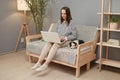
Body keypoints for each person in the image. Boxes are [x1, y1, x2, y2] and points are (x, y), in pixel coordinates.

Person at [31, 6, 77, 71]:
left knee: (56, 45)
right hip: (58, 39)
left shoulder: (72, 23)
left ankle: (45, 64)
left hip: (67, 41)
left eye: (64, 14)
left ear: (68, 14)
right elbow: (56, 32)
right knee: (48, 43)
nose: (63, 15)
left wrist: (65, 37)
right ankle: (39, 62)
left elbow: (74, 36)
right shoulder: (59, 22)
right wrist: (55, 37)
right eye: (62, 13)